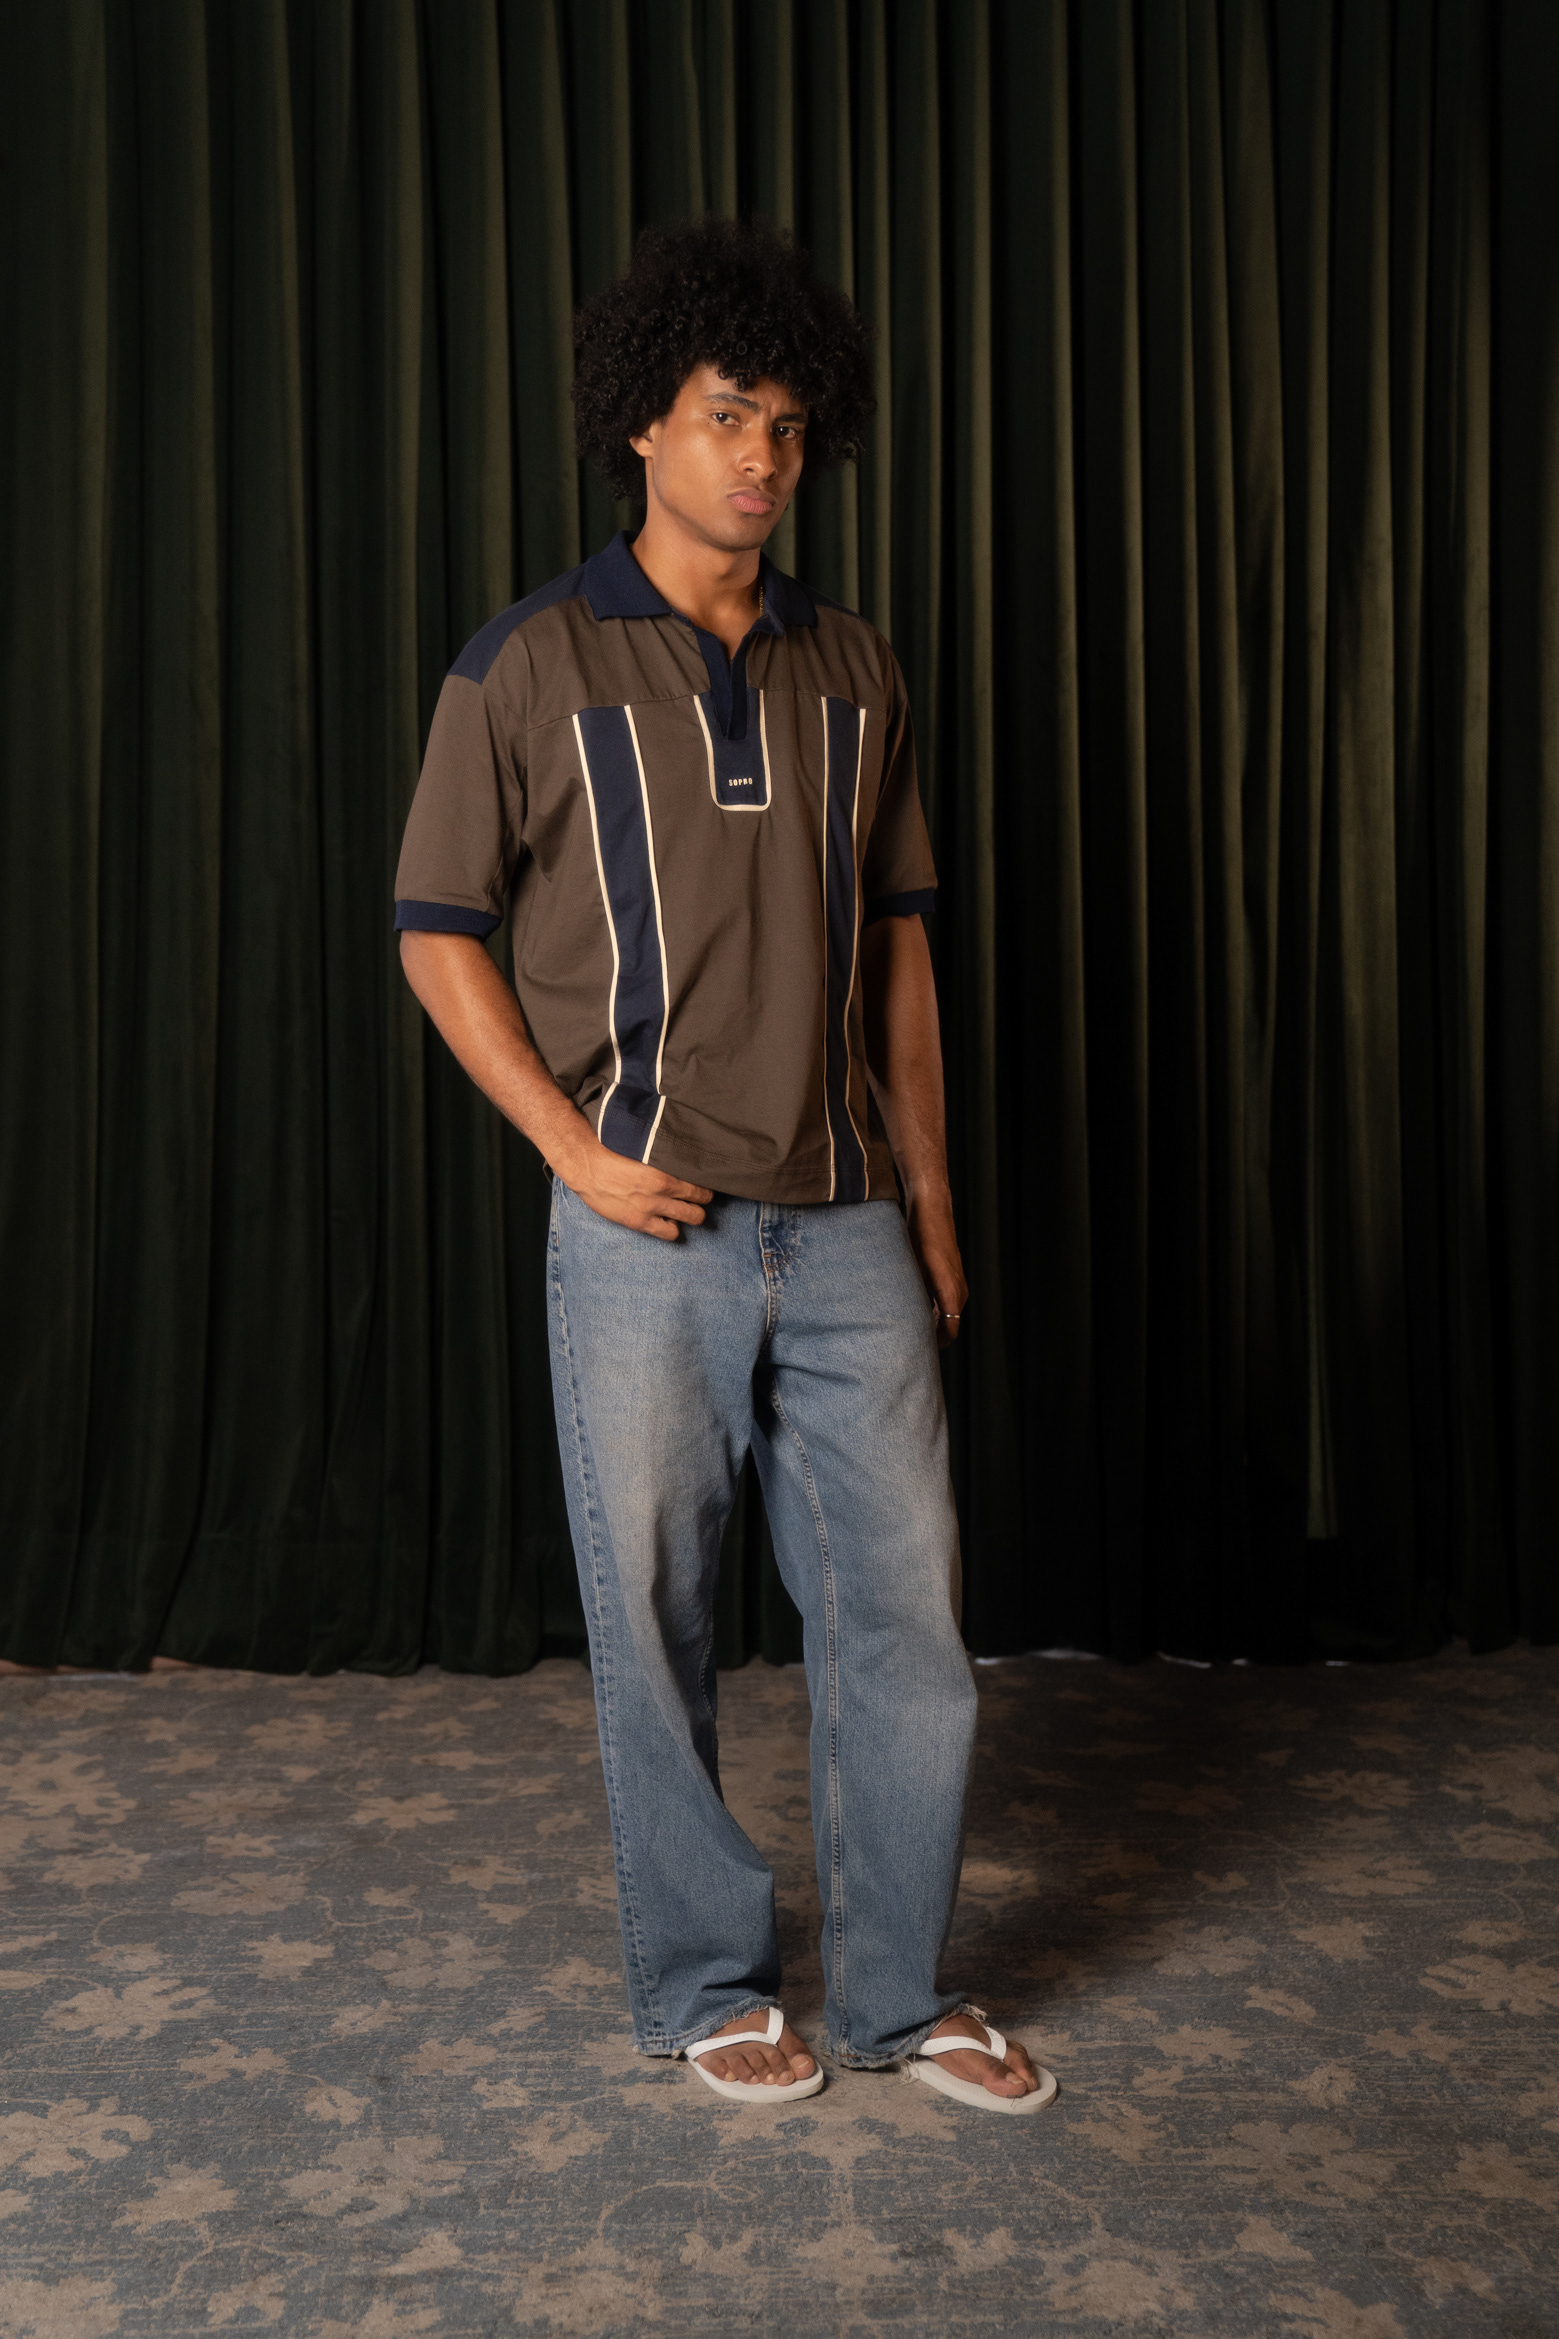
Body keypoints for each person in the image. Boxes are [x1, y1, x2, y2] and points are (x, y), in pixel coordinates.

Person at [394, 217, 1050, 2115]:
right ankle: (702, 1989)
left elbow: (902, 948)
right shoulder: (528, 663)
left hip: (847, 1223)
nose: (762, 456)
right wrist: (573, 1155)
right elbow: (437, 931)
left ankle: (901, 2000)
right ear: (643, 427)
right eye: (725, 415)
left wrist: (931, 1200)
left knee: (904, 1619)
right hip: (643, 1229)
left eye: (787, 426)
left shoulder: (857, 668)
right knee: (656, 1621)